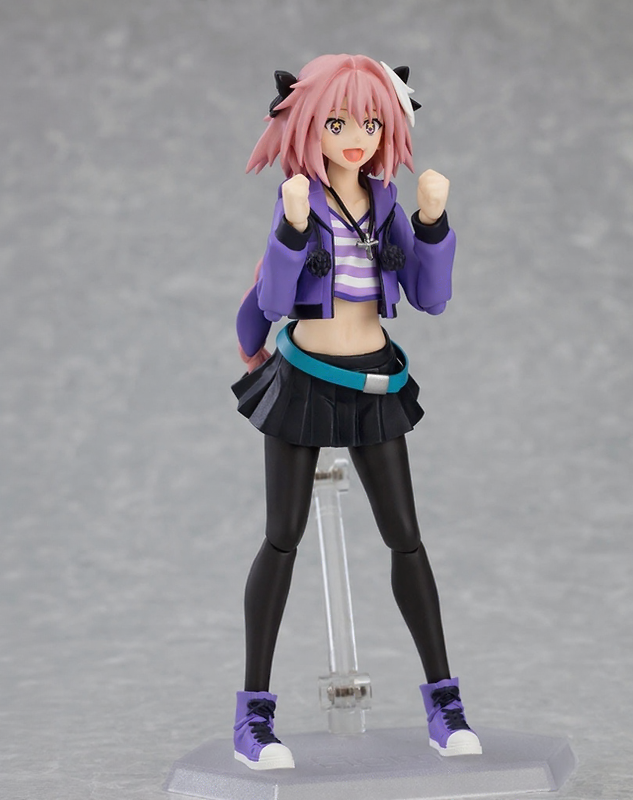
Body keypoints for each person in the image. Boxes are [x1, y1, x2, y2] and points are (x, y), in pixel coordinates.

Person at [231, 54, 481, 770]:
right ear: (307, 124)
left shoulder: (386, 204)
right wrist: (292, 229)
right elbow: (273, 302)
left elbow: (430, 298)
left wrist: (431, 222)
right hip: (304, 382)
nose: (355, 138)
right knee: (282, 538)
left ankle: (444, 702)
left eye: (370, 123)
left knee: (406, 538)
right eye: (337, 123)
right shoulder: (298, 200)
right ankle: (253, 715)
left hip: (374, 379)